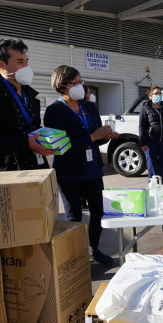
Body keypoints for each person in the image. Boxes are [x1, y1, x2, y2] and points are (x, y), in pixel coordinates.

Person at [44, 65, 118, 264]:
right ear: (62, 85)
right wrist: (93, 136)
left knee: (98, 211)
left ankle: (94, 248)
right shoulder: (54, 111)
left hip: (92, 168)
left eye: (80, 82)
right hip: (69, 171)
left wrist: (106, 136)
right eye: (75, 83)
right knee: (74, 215)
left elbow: (97, 139)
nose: (80, 86)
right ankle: (75, 255)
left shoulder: (89, 106)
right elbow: (61, 146)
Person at [0, 38, 54, 171]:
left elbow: (32, 127)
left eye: (26, 62)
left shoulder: (30, 96)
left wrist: (46, 138)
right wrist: (24, 143)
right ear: (0, 64)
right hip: (10, 169)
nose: (26, 67)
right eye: (20, 62)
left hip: (38, 164)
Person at [139, 86, 163, 183]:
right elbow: (142, 126)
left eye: (160, 93)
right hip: (151, 142)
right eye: (156, 93)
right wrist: (143, 143)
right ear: (150, 96)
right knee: (152, 168)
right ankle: (154, 190)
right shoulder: (145, 108)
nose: (158, 95)